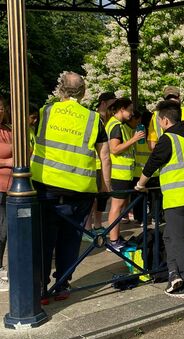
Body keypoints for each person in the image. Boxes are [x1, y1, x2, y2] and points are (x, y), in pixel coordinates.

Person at [30, 72, 112, 302]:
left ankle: (40, 288)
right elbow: (104, 156)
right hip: (79, 189)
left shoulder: (45, 112)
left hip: (46, 186)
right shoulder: (94, 119)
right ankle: (63, 283)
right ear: (84, 92)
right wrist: (105, 187)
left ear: (60, 91)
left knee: (44, 239)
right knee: (71, 239)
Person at [135, 100, 184, 298]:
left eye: (158, 120)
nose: (158, 123)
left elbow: (152, 164)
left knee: (177, 240)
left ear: (165, 120)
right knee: (170, 236)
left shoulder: (168, 139)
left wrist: (140, 184)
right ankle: (174, 275)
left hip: (177, 196)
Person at [105, 97, 144, 251]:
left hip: (123, 173)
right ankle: (113, 241)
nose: (131, 113)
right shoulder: (115, 126)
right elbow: (114, 149)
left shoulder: (119, 125)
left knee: (120, 207)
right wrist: (134, 139)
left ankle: (116, 237)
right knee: (116, 207)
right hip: (118, 174)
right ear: (122, 109)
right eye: (130, 110)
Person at [83, 92, 116, 242]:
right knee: (92, 198)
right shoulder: (94, 118)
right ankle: (88, 228)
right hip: (95, 163)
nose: (113, 108)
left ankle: (97, 225)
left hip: (107, 164)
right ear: (103, 103)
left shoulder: (110, 120)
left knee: (102, 198)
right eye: (111, 104)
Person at [0, 96, 12, 292]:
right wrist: (6, 163)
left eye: (1, 107)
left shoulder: (9, 130)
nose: (0, 110)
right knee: (1, 233)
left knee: (9, 231)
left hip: (13, 187)